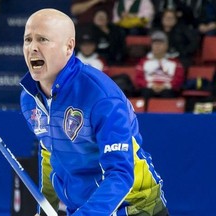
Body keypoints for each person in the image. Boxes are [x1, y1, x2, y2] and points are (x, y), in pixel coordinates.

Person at [20, 8, 169, 216]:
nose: (32, 48)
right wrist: (47, 209)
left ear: (68, 46)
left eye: (43, 39)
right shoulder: (29, 98)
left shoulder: (101, 96)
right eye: (28, 40)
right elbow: (50, 155)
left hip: (136, 208)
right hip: (84, 208)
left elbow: (120, 174)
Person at [135, 30, 184, 107]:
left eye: (160, 44)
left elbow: (179, 79)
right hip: (149, 88)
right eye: (155, 44)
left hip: (167, 89)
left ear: (166, 46)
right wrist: (151, 85)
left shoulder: (175, 62)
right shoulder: (143, 62)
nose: (157, 46)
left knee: (168, 93)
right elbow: (138, 79)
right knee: (145, 92)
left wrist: (165, 86)